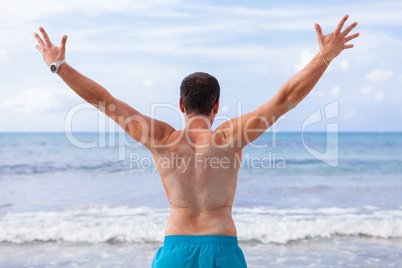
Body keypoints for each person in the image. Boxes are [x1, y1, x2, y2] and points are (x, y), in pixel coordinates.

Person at [34, 15, 359, 268]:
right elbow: (286, 98)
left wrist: (59, 65)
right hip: (223, 247)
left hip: (176, 249)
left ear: (180, 105)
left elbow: (103, 100)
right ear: (216, 105)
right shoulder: (231, 137)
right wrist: (325, 57)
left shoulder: (159, 138)